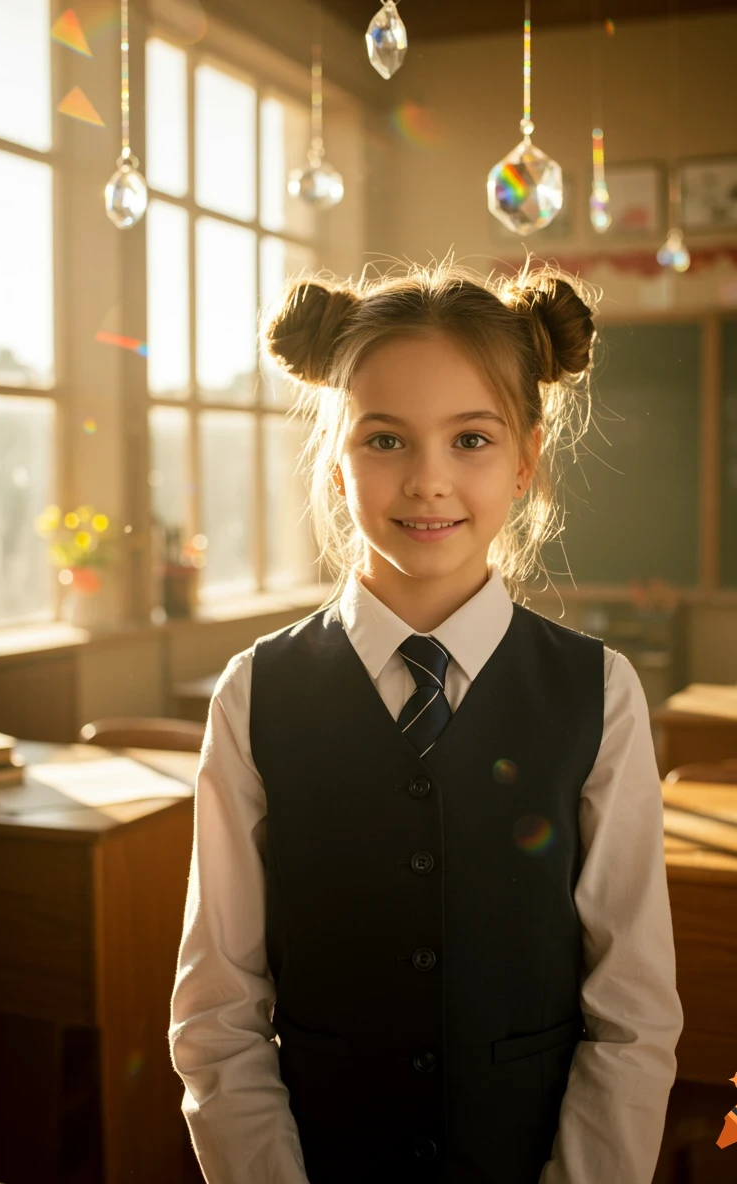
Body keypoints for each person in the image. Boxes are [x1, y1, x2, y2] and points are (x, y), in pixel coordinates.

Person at [168, 255, 684, 1184]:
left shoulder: (600, 694)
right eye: (386, 440)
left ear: (527, 459)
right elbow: (217, 1012)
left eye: (472, 441)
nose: (429, 482)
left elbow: (635, 1014)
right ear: (336, 461)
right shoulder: (255, 693)